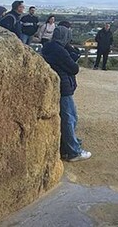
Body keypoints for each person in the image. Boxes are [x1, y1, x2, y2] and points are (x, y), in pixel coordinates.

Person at [40, 21, 92, 162]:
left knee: (70, 117)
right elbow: (74, 68)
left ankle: (69, 143)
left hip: (59, 86)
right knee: (69, 119)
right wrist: (69, 50)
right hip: (64, 87)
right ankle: (72, 151)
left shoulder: (49, 46)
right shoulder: (60, 50)